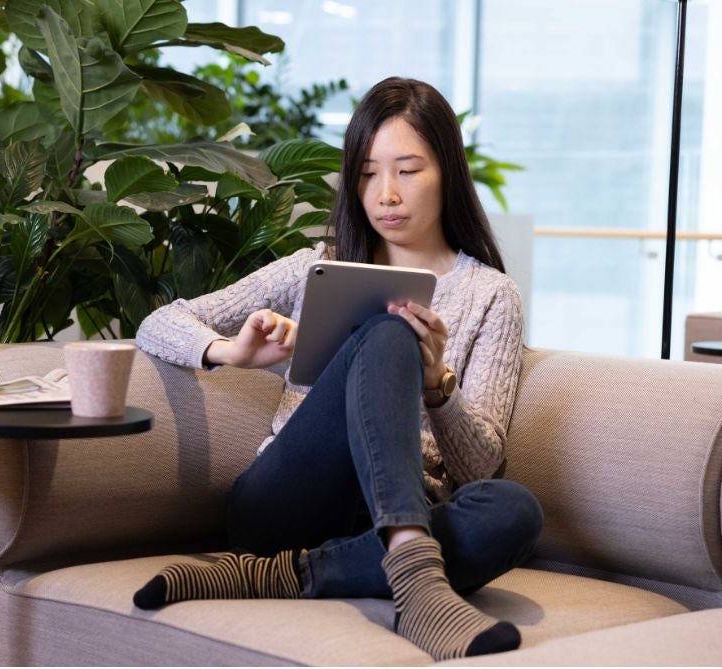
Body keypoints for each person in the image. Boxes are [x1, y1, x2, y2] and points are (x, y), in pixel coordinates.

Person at [130, 76, 543, 661]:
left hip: (379, 517)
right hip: (284, 503)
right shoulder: (316, 265)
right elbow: (161, 321)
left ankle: (288, 574)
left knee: (514, 513)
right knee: (387, 328)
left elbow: (479, 469)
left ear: (448, 172)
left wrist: (437, 387)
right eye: (369, 173)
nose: (386, 194)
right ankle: (417, 580)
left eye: (407, 170)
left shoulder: (492, 295)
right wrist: (231, 352)